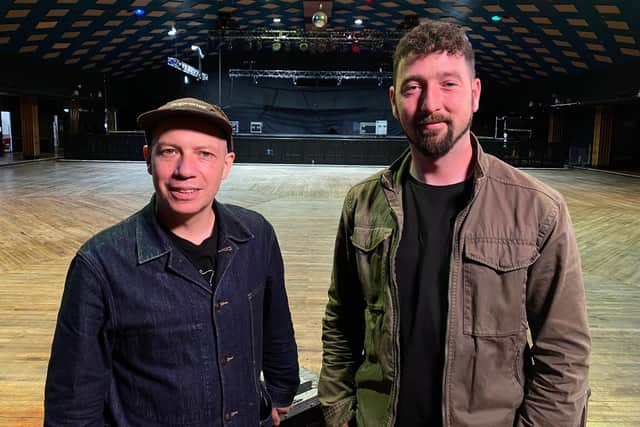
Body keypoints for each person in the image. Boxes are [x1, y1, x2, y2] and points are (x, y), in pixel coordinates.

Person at [318, 22, 590, 427]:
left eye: (449, 84)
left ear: (475, 94)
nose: (431, 104)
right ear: (394, 100)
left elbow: (564, 353)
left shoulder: (538, 209)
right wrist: (340, 413)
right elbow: (342, 322)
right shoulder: (362, 203)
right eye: (413, 88)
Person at [45, 97, 300, 426]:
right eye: (169, 152)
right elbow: (72, 401)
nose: (185, 171)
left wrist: (281, 391)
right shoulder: (100, 264)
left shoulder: (257, 235)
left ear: (227, 164)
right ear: (148, 159)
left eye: (204, 154)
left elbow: (276, 323)